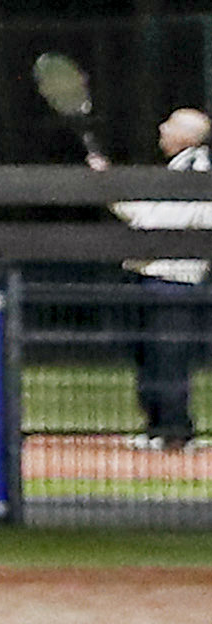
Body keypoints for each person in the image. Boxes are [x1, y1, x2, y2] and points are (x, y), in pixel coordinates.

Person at [114, 107, 210, 450]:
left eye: (169, 124)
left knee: (167, 358)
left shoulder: (195, 171)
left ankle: (173, 432)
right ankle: (159, 427)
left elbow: (152, 222)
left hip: (174, 280)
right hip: (157, 278)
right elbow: (147, 214)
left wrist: (113, 190)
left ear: (185, 136)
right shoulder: (179, 169)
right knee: (151, 357)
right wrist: (109, 187)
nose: (161, 128)